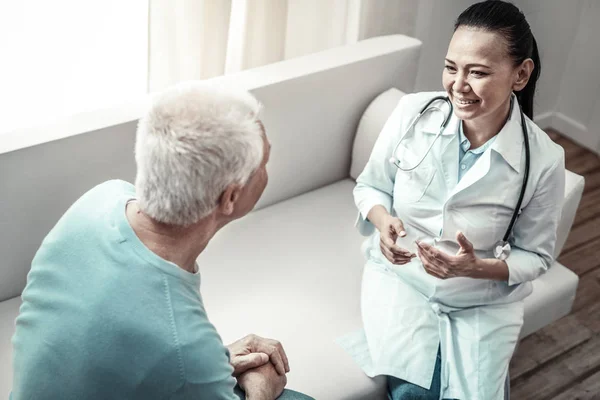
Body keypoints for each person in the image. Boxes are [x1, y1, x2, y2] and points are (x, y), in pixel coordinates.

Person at [11, 82, 313, 400]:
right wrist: (262, 389)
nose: (266, 170)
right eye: (263, 163)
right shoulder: (182, 343)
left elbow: (113, 340)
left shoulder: (100, 199)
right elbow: (167, 343)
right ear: (231, 196)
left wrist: (215, 364)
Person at [351, 1, 565, 399]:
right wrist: (383, 223)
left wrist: (475, 268)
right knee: (415, 394)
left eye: (478, 72)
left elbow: (536, 257)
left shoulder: (545, 160)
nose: (458, 85)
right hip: (403, 282)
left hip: (480, 302)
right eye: (451, 67)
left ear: (521, 74)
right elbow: (370, 186)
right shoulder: (412, 113)